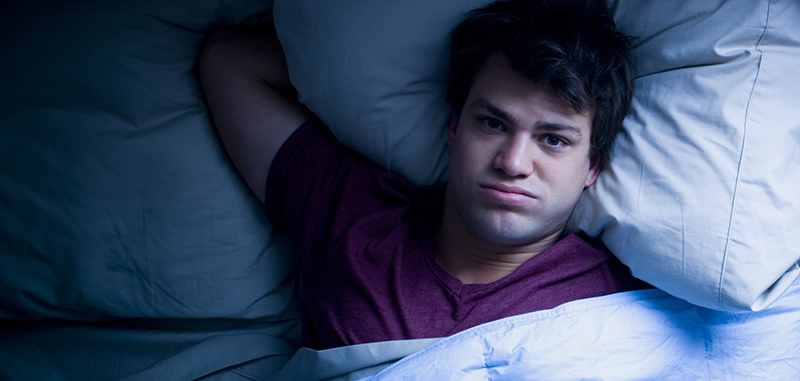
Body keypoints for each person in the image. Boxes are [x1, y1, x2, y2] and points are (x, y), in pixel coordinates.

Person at [199, 0, 643, 350]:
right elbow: (229, 62)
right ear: (453, 127)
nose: (513, 163)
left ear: (593, 167)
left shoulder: (625, 301)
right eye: (492, 123)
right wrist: (347, 76)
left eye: (553, 140)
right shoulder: (356, 220)